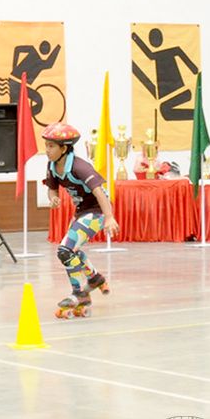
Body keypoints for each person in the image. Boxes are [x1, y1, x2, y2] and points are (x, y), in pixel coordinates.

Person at [42, 123, 119, 318]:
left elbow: (99, 192)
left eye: (51, 146)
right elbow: (52, 188)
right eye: (46, 145)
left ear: (64, 148)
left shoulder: (79, 167)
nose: (47, 150)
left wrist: (109, 217)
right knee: (72, 251)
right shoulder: (52, 165)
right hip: (82, 212)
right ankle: (94, 278)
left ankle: (79, 293)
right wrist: (53, 198)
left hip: (97, 211)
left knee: (65, 251)